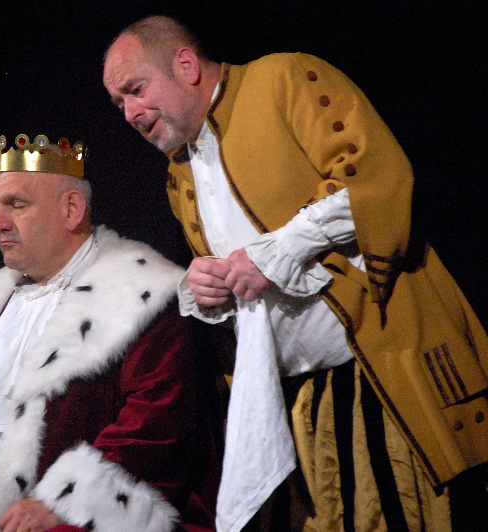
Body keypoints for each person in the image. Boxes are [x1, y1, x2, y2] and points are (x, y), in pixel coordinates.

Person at [103, 15, 488, 532]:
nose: (130, 113)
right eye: (119, 104)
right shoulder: (181, 170)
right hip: (300, 397)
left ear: (186, 65)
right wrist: (207, 286)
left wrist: (275, 253)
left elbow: (373, 179)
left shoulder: (281, 79)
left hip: (379, 371)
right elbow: (246, 282)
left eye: (136, 90)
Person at [0, 133, 219, 532]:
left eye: (17, 205)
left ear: (71, 209)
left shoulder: (143, 294)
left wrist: (62, 503)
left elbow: (155, 430)